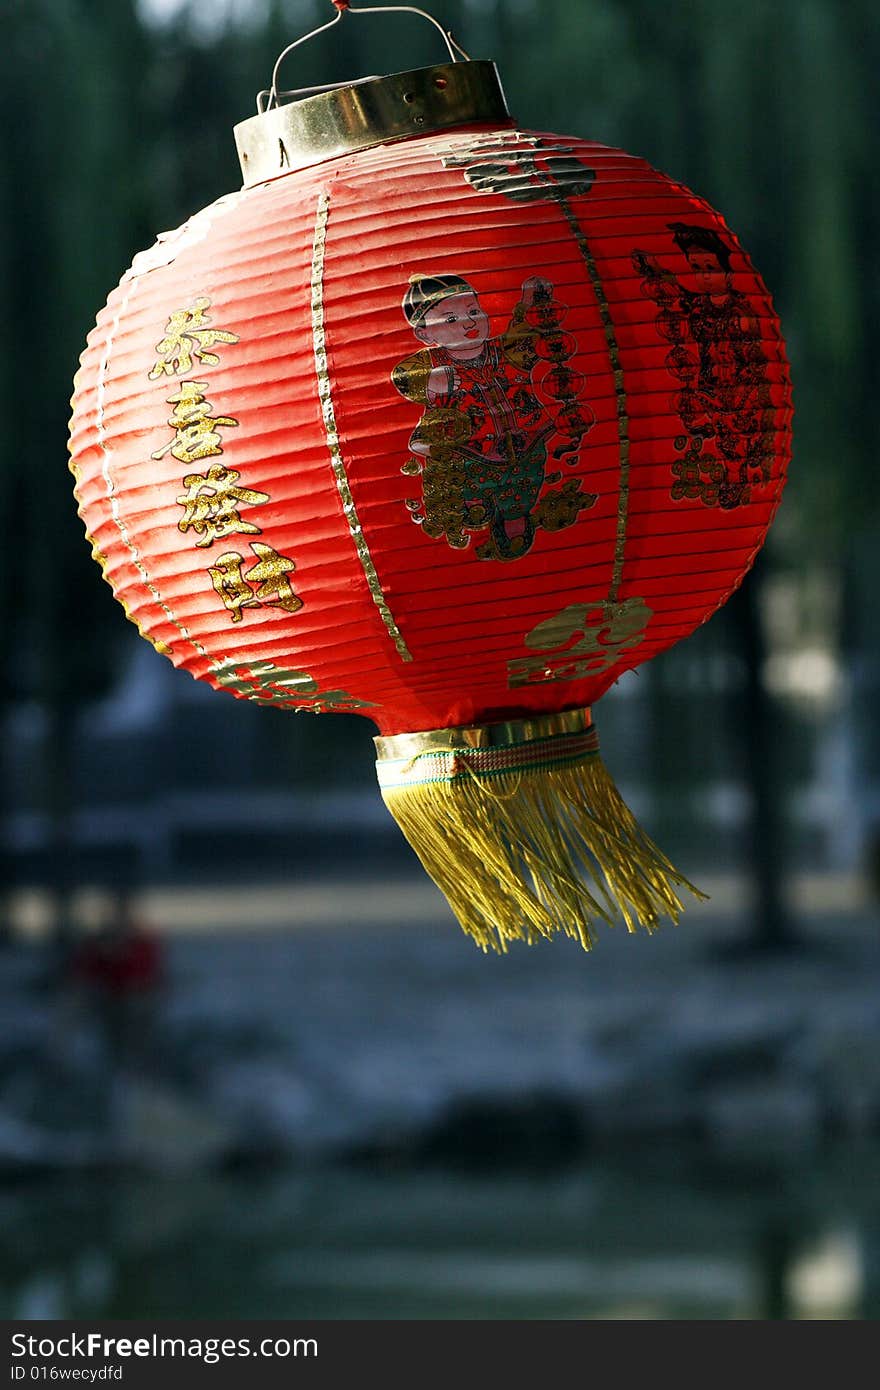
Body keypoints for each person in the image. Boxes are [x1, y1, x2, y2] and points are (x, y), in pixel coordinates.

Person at [392, 273, 596, 560]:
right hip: (472, 451)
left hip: (527, 442)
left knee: (522, 491)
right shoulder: (433, 364)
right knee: (471, 489)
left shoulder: (504, 351)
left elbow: (523, 332)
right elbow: (404, 376)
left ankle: (512, 516)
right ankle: (475, 511)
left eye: (474, 312)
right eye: (450, 319)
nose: (470, 322)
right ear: (426, 335)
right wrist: (432, 381)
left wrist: (529, 301)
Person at [633, 223, 774, 510]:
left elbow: (754, 361)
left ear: (727, 270)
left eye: (710, 266)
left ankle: (736, 477)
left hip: (737, 393)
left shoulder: (739, 313)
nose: (704, 274)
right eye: (697, 267)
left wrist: (744, 394)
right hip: (711, 388)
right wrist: (654, 270)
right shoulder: (699, 306)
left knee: (735, 441)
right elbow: (677, 295)